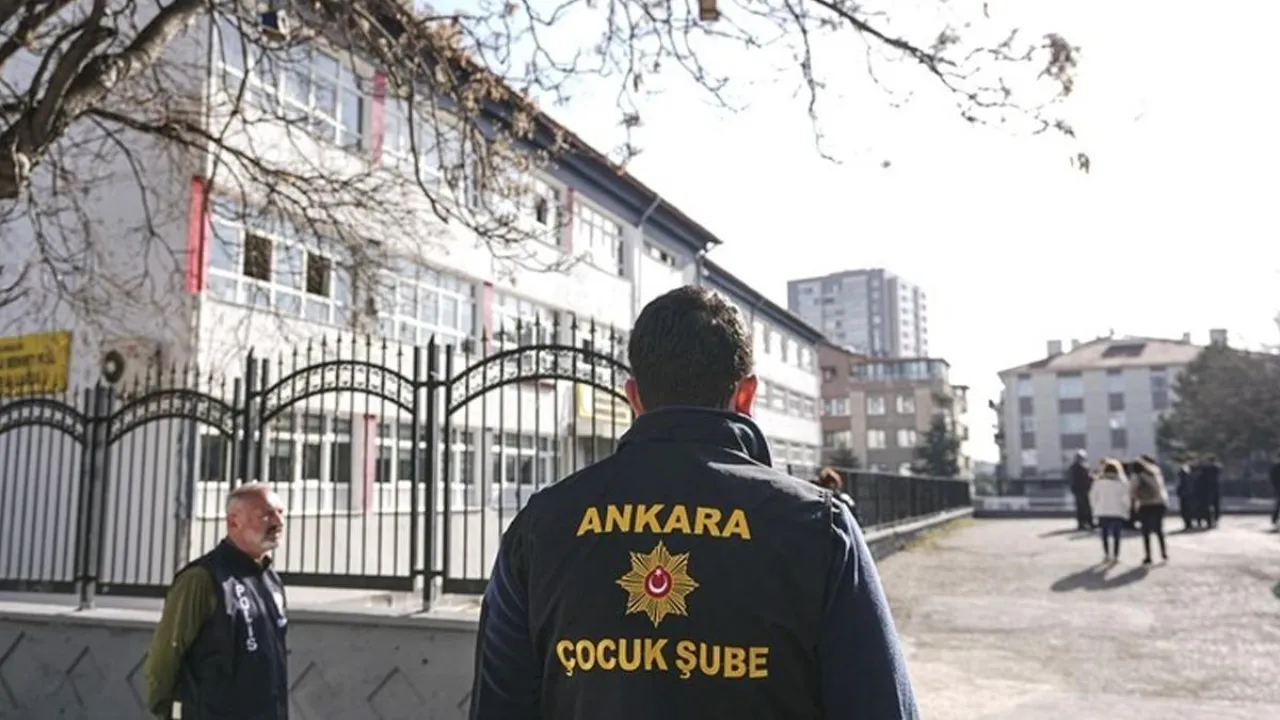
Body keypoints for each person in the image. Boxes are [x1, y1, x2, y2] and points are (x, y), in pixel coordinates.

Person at [469, 286, 918, 720]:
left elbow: (498, 707)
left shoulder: (541, 527)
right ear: (747, 395)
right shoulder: (819, 528)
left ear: (634, 397)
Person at [145, 482, 289, 720]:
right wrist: (162, 709)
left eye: (281, 513)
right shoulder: (203, 578)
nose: (278, 522)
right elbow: (167, 652)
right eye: (265, 515)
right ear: (234, 522)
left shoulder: (269, 578)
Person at [1089, 459, 1132, 561]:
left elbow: (1092, 496)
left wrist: (1095, 508)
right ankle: (1116, 555)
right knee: (1117, 535)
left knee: (1104, 534)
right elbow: (1127, 499)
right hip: (1117, 511)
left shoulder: (1098, 482)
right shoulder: (1123, 483)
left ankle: (1107, 554)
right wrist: (1127, 509)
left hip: (1103, 511)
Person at [1129, 457, 1169, 565]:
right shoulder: (1155, 472)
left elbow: (1132, 491)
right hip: (1160, 503)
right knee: (1159, 529)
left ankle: (1148, 556)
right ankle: (1163, 553)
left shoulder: (1136, 476)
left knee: (1146, 531)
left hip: (1145, 504)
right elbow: (1161, 488)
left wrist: (1132, 504)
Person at [1067, 450, 1094, 531]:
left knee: (1081, 507)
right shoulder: (1082, 467)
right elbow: (1086, 478)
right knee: (1085, 507)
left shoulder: (1073, 467)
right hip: (1082, 489)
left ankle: (1083, 523)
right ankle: (1088, 522)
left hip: (1078, 489)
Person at [1195, 455, 1222, 528]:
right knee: (1214, 506)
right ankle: (1213, 521)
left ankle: (1210, 521)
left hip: (1207, 490)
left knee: (1208, 506)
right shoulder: (1214, 468)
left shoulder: (1207, 469)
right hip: (1213, 489)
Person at [1175, 458, 1198, 531]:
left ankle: (1188, 523)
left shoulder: (1184, 470)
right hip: (1187, 493)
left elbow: (1183, 482)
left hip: (1185, 493)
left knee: (1186, 509)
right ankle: (1188, 523)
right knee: (1187, 509)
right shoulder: (1187, 470)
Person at [1269, 451, 1280, 527]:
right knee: (1277, 504)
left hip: (1277, 487)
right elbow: (1272, 477)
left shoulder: (1275, 467)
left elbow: (1272, 477)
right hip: (1278, 487)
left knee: (1277, 504)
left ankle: (1274, 519)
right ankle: (1274, 519)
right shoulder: (1276, 467)